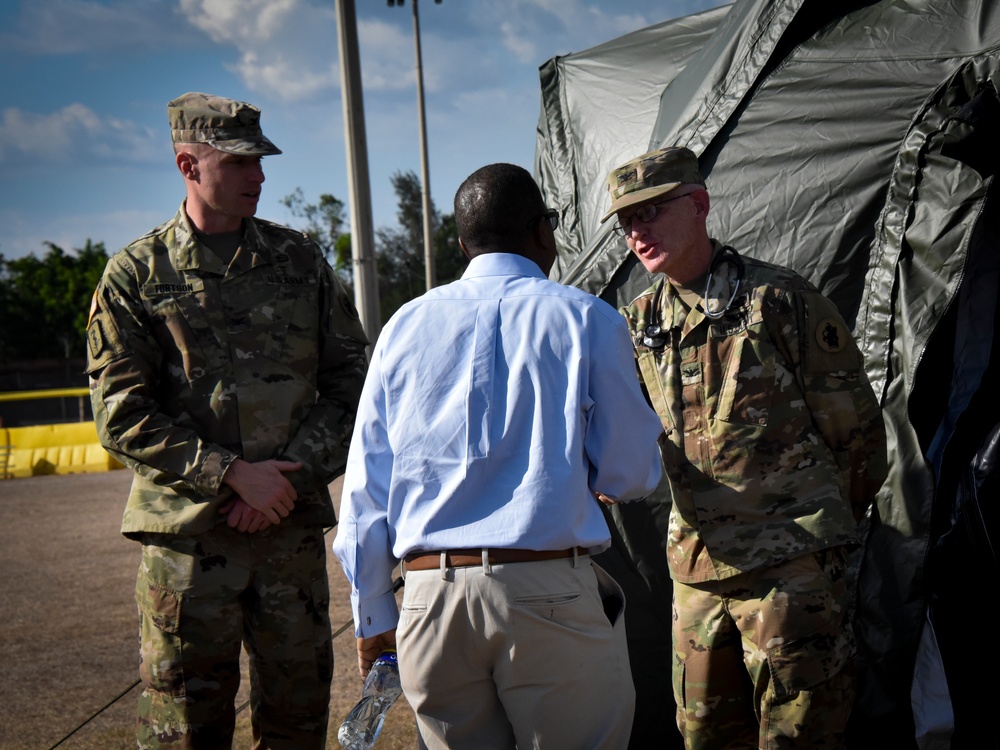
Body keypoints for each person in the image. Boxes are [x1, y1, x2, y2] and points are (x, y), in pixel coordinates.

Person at [332, 162, 665, 749]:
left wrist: (374, 617)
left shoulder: (403, 326)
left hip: (430, 600)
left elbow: (364, 492)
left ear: (462, 245)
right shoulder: (585, 316)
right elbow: (631, 470)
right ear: (544, 231)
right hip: (548, 592)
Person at [86, 92, 369, 749]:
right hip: (189, 549)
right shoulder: (136, 275)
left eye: (261, 162)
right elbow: (122, 412)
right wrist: (233, 476)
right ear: (189, 165)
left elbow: (351, 382)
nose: (259, 176)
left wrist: (286, 481)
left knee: (298, 722)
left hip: (287, 538)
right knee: (185, 728)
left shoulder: (299, 263)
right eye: (240, 162)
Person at [601, 145, 887, 749]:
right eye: (627, 221)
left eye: (652, 211)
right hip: (697, 579)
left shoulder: (777, 301)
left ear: (699, 205)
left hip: (790, 571)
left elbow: (854, 432)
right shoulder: (637, 325)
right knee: (705, 736)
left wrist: (816, 537)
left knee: (798, 737)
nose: (637, 231)